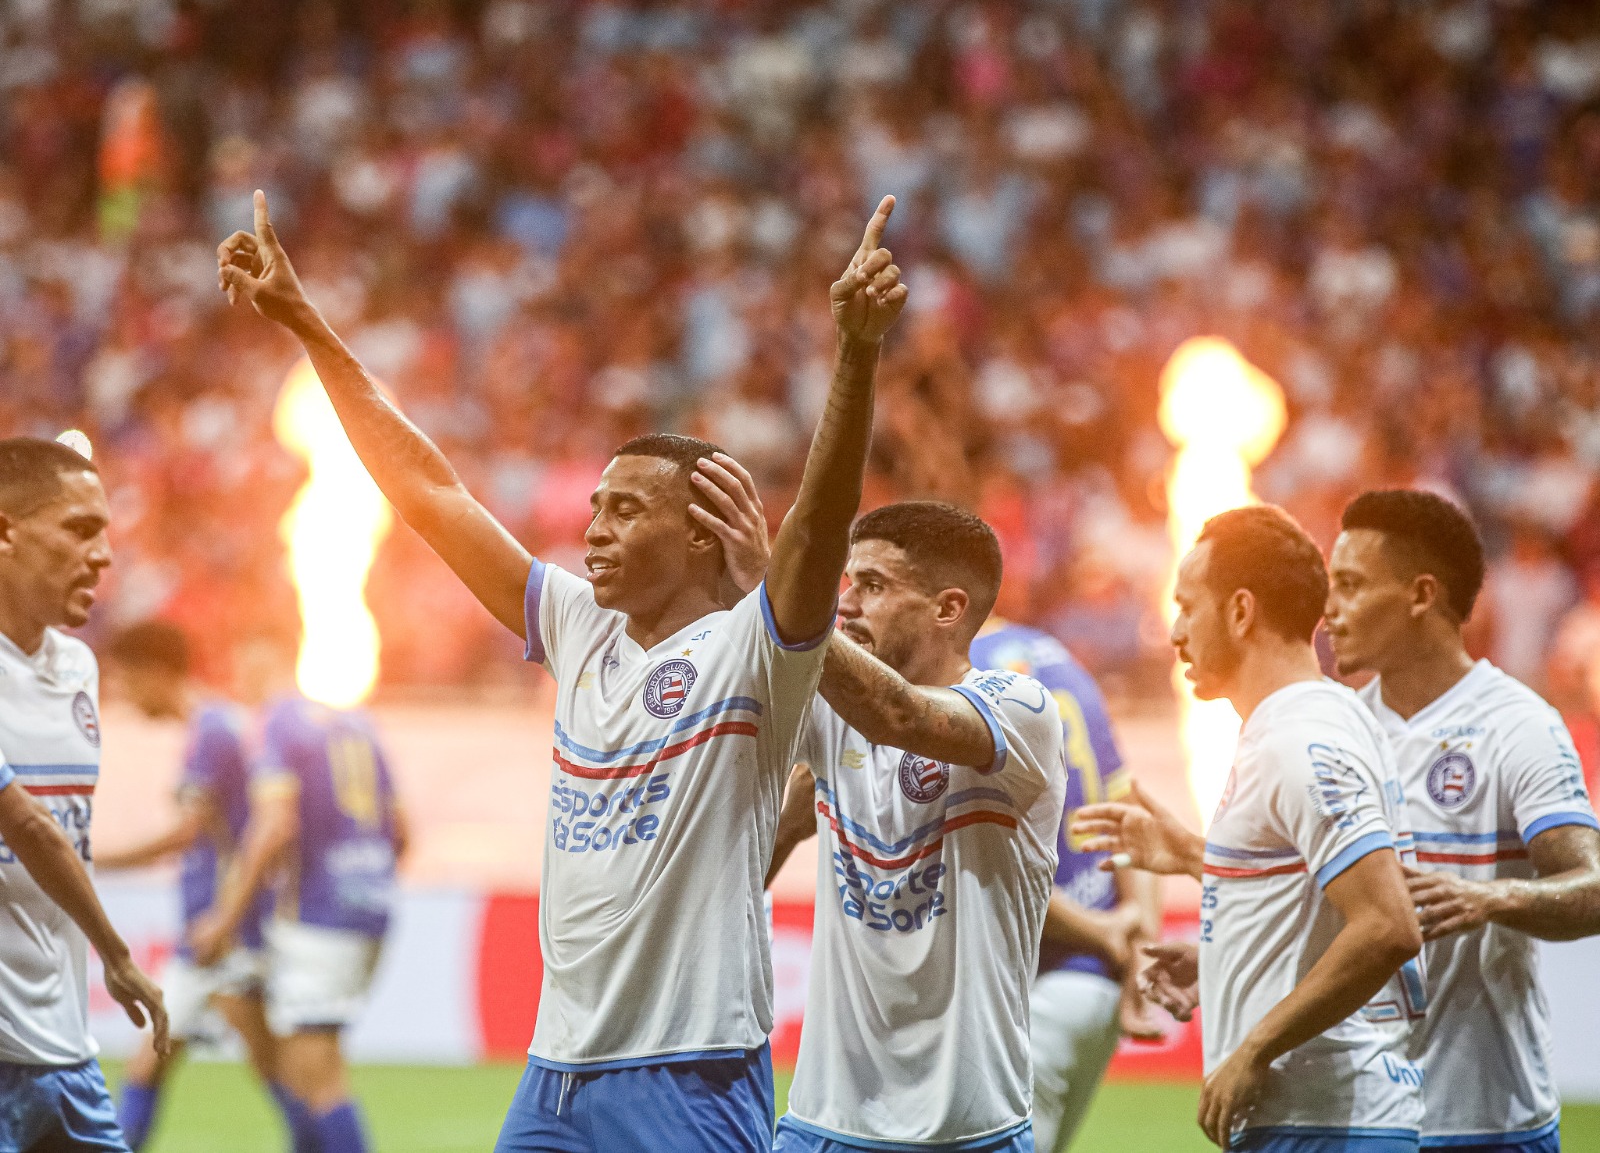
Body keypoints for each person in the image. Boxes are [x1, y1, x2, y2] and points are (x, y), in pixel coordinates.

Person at [217, 188, 907, 1152]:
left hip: (689, 1069)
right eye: (594, 508)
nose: (595, 530)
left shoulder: (752, 650)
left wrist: (857, 352)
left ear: (701, 535)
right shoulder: (578, 625)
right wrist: (305, 324)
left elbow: (822, 526)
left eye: (626, 510)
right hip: (556, 1071)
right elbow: (431, 492)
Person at [1072, 505, 1426, 1152]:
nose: (1175, 632)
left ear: (1240, 611)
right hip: (1324, 1119)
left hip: (1326, 1123)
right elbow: (1316, 899)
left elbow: (1387, 924)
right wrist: (1225, 949)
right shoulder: (1309, 724)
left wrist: (1253, 1049)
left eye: (1187, 606)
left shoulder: (1300, 740)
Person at [761, 501, 1067, 1152]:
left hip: (970, 1130)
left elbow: (898, 714)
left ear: (948, 609)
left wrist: (781, 591)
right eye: (845, 582)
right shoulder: (829, 713)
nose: (845, 604)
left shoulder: (1021, 708)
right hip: (822, 1124)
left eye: (872, 585)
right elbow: (741, 849)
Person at [1325, 489, 1600, 1152]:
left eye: (1351, 585)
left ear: (1422, 594)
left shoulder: (1517, 724)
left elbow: (1594, 885)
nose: (1329, 608)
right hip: (1363, 1119)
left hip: (1489, 1122)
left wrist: (1490, 898)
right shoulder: (1339, 731)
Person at [0, 436, 169, 1152]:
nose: (103, 555)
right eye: (78, 530)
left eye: (105, 532)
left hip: (64, 1051)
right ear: (6, 532)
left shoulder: (78, 668)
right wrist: (117, 954)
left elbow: (63, 831)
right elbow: (31, 828)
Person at [97, 620, 302, 1152]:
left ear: (155, 673)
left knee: (266, 1062)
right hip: (218, 924)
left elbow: (188, 833)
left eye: (126, 680)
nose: (124, 695)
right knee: (162, 1058)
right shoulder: (218, 725)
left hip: (223, 927)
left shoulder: (210, 732)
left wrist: (92, 859)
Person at [969, 617, 1163, 1153]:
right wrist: (1137, 942)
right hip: (1096, 986)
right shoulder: (1062, 660)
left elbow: (993, 866)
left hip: (1035, 983)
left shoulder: (964, 677)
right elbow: (1129, 816)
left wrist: (1103, 933)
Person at [189, 693, 404, 1153]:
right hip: (372, 906)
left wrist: (224, 918)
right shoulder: (360, 724)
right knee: (285, 1058)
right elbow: (402, 831)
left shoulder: (281, 719)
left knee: (318, 1080)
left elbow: (274, 826)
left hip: (319, 916)